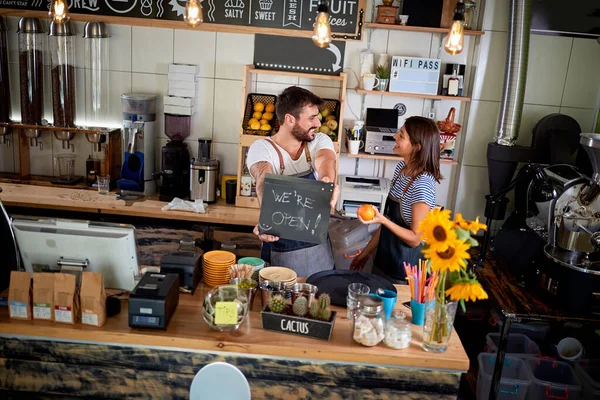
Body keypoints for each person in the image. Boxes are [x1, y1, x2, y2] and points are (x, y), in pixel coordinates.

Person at [246, 86, 338, 277]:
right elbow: (263, 180)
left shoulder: (318, 140)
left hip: (318, 252)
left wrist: (327, 181)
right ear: (290, 119)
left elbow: (325, 161)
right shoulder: (262, 148)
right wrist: (267, 220)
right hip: (280, 253)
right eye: (311, 117)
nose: (318, 122)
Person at [350, 116, 441, 284]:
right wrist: (366, 253)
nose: (395, 137)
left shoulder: (423, 185)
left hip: (407, 272)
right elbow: (389, 222)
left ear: (417, 147)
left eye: (402, 135)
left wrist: (383, 220)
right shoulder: (401, 169)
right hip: (385, 261)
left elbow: (415, 239)